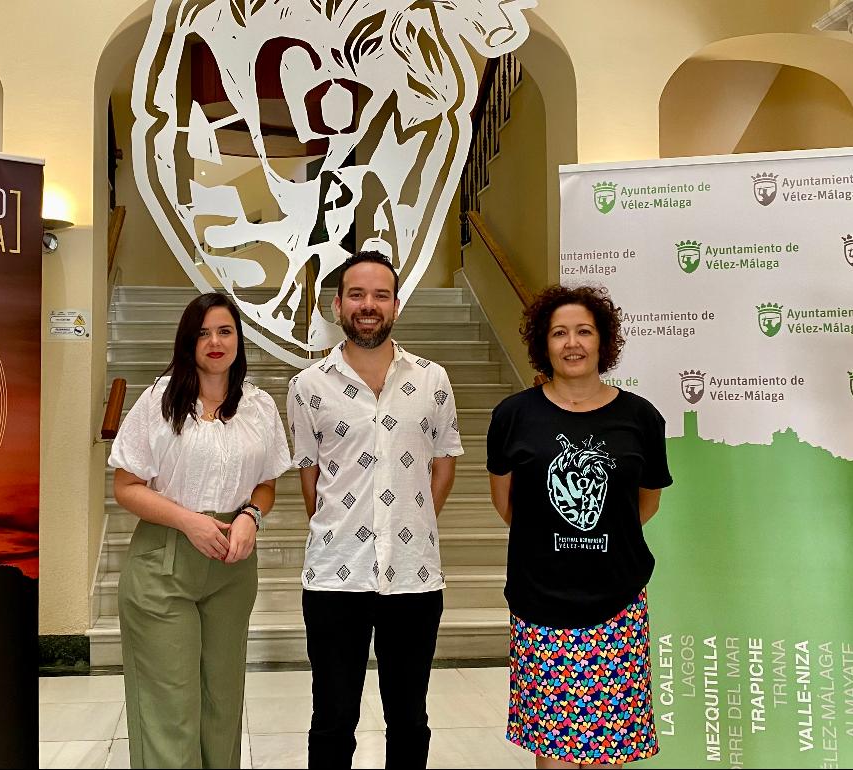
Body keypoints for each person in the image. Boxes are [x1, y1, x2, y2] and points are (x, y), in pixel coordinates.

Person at [287, 251, 463, 769]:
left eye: (380, 295)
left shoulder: (433, 380)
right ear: (337, 304)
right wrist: (343, 528)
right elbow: (309, 476)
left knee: (409, 720)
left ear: (396, 305)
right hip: (333, 580)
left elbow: (444, 463)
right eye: (357, 295)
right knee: (332, 719)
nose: (369, 305)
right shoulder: (308, 386)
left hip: (414, 578)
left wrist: (412, 524)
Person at [486, 284, 672, 768]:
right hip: (540, 600)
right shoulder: (513, 415)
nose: (572, 343)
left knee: (610, 748)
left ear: (602, 341)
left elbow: (644, 505)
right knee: (554, 749)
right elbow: (508, 504)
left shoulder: (640, 417)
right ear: (543, 345)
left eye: (584, 332)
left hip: (617, 602)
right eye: (560, 333)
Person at [109, 292, 291, 769]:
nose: (215, 341)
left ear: (238, 340)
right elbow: (126, 487)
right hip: (165, 560)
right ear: (188, 342)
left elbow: (267, 483)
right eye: (203, 332)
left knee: (223, 702)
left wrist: (251, 515)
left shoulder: (259, 407)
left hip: (232, 567)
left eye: (225, 331)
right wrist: (187, 520)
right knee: (171, 708)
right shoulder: (159, 401)